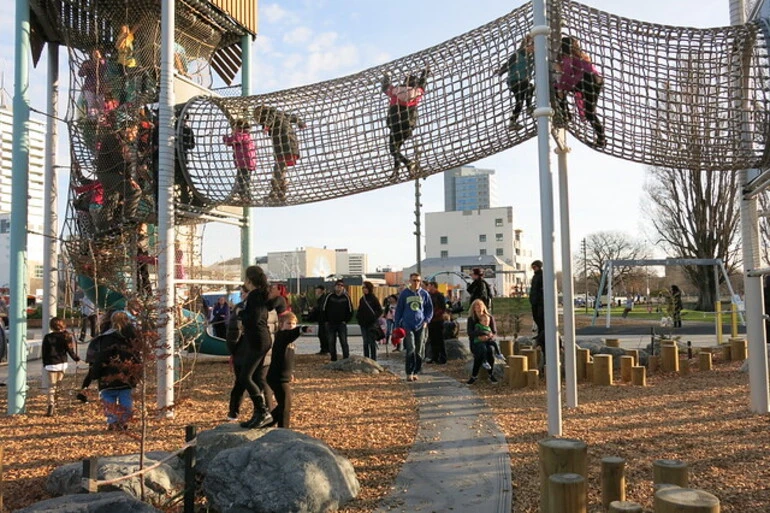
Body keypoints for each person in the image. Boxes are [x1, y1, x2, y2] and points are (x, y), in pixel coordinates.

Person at [237, 265, 276, 429]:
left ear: (249, 280)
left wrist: (240, 313)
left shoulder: (254, 296)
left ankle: (263, 411)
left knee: (245, 377)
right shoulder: (261, 294)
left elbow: (253, 318)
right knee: (255, 377)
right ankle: (259, 414)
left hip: (258, 340)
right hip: (262, 339)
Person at [91, 311, 140, 430]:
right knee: (126, 397)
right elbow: (137, 356)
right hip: (127, 374)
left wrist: (95, 372)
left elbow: (102, 357)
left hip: (108, 374)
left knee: (108, 397)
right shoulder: (134, 337)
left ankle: (112, 421)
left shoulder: (106, 338)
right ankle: (124, 421)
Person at [554, 36, 606, 148]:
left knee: (556, 89)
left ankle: (566, 114)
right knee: (590, 113)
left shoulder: (567, 57)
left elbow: (567, 73)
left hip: (585, 81)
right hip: (596, 82)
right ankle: (601, 139)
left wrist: (560, 88)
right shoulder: (580, 56)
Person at [381, 66, 429, 182]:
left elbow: (385, 88)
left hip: (396, 123)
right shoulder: (417, 92)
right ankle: (397, 171)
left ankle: (408, 164)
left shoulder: (396, 90)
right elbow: (423, 84)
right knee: (396, 149)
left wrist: (386, 76)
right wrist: (425, 72)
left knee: (393, 149)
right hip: (409, 125)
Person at [253, 105, 307, 205]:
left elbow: (270, 118)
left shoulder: (268, 114)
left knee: (278, 168)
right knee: (281, 168)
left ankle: (276, 191)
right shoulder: (281, 114)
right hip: (291, 145)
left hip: (283, 144)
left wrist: (266, 125)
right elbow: (293, 117)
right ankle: (281, 192)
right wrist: (300, 122)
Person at [266, 311, 304, 428]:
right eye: (288, 324)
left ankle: (266, 423)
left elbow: (288, 359)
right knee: (286, 405)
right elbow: (290, 335)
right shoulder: (281, 336)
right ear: (281, 324)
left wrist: (290, 373)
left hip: (283, 377)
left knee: (284, 404)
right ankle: (283, 430)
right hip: (276, 378)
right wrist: (302, 329)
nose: (291, 326)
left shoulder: (289, 341)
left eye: (293, 324)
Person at [395, 273, 433, 382]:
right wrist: (397, 324)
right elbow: (399, 310)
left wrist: (426, 321)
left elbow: (429, 309)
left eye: (417, 280)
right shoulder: (404, 294)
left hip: (420, 324)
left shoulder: (424, 294)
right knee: (410, 348)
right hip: (407, 324)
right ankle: (409, 372)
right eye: (414, 280)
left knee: (419, 349)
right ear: (410, 281)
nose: (415, 282)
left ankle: (416, 370)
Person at [42, 317, 81, 416]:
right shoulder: (66, 336)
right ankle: (56, 402)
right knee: (58, 384)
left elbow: (44, 351)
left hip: (50, 364)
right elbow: (70, 350)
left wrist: (45, 363)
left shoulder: (47, 337)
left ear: (52, 326)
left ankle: (50, 404)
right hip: (62, 363)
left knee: (51, 385)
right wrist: (76, 358)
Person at [495, 35, 535, 130]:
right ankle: (529, 108)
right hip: (515, 81)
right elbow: (508, 64)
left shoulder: (532, 58)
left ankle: (513, 122)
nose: (534, 48)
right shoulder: (517, 55)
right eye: (532, 45)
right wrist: (501, 71)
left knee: (519, 102)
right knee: (529, 86)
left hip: (523, 82)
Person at [223, 118, 257, 202]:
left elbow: (231, 141)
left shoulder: (240, 134)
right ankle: (248, 197)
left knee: (241, 180)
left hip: (243, 162)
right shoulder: (247, 135)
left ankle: (244, 196)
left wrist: (225, 138)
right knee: (246, 180)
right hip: (249, 162)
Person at [466, 300, 500, 384]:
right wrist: (482, 334)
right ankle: (474, 376)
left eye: (480, 305)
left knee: (490, 350)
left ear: (484, 306)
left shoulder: (489, 317)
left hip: (488, 341)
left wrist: (488, 337)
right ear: (473, 308)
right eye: (476, 306)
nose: (479, 307)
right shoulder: (471, 319)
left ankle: (490, 374)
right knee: (480, 351)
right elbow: (470, 333)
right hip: (476, 342)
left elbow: (494, 332)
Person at [322, 279, 354, 361]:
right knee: (331, 342)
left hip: (341, 323)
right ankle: (333, 358)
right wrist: (326, 320)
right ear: (335, 286)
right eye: (337, 285)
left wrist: (346, 320)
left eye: (341, 286)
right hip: (331, 323)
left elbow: (350, 310)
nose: (339, 287)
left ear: (343, 287)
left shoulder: (346, 297)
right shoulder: (329, 296)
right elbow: (323, 309)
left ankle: (346, 358)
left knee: (344, 341)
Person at [357, 281, 384, 361]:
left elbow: (379, 310)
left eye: (365, 288)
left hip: (371, 324)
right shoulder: (362, 299)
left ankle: (373, 359)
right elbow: (360, 310)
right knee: (365, 342)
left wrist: (374, 317)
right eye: (363, 288)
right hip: (363, 323)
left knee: (372, 342)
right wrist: (359, 318)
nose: (364, 289)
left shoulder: (373, 298)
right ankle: (366, 358)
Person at [78, 49, 107, 119]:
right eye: (94, 53)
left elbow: (105, 67)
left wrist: (99, 59)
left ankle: (101, 120)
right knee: (92, 105)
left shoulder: (103, 61)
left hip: (100, 87)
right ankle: (92, 120)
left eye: (98, 53)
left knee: (101, 106)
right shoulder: (87, 62)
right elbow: (81, 74)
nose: (96, 54)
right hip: (89, 87)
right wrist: (85, 67)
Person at [426, 281, 447, 364]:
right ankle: (434, 357)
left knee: (439, 339)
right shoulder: (429, 295)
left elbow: (442, 308)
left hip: (438, 320)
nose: (429, 288)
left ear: (434, 286)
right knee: (432, 339)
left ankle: (442, 358)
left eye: (430, 286)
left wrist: (434, 314)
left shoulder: (440, 296)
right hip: (431, 321)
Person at [529, 260, 545, 363]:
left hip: (540, 301)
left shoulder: (542, 276)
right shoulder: (535, 276)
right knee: (536, 318)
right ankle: (539, 333)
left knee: (540, 318)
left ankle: (542, 334)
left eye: (535, 267)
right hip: (534, 301)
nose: (534, 269)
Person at [308, 285, 329, 355]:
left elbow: (321, 308)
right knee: (321, 335)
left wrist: (314, 309)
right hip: (321, 320)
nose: (316, 292)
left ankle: (325, 350)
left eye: (317, 290)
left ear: (322, 291)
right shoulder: (320, 299)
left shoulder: (324, 298)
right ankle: (323, 349)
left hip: (324, 320)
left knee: (324, 335)